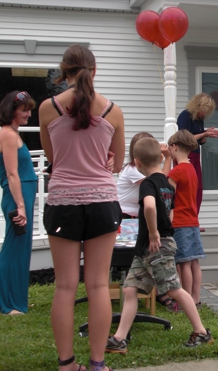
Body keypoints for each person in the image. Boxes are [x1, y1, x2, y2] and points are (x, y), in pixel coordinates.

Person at [39, 44, 125, 371]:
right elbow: (115, 165)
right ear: (94, 70)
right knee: (99, 284)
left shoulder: (48, 108)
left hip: (62, 202)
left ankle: (66, 364)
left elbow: (52, 157)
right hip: (103, 202)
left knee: (64, 285)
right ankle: (98, 363)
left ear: (65, 71)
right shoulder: (113, 111)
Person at [105, 137, 213, 354]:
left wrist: (155, 233)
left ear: (136, 161)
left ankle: (201, 331)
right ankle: (119, 339)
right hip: (146, 248)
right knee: (129, 288)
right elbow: (169, 211)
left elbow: (150, 207)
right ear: (160, 157)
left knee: (174, 289)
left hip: (156, 245)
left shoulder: (148, 184)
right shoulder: (164, 182)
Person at [117, 131, 180, 313]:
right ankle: (161, 293)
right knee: (143, 262)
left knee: (149, 261)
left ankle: (161, 293)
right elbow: (160, 183)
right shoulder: (132, 170)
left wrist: (165, 158)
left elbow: (160, 183)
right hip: (128, 220)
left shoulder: (146, 175)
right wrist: (165, 159)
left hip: (142, 221)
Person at [0, 91, 38, 316]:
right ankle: (8, 303)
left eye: (30, 109)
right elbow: (12, 175)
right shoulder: (7, 134)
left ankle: (17, 298)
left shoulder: (13, 134)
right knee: (13, 248)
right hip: (17, 198)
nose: (29, 114)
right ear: (11, 110)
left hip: (23, 194)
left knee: (21, 249)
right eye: (24, 109)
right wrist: (20, 206)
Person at [166, 129, 205, 307]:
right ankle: (195, 299)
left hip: (179, 221)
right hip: (193, 221)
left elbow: (166, 197)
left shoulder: (176, 172)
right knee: (194, 261)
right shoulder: (191, 169)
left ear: (174, 147)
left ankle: (184, 300)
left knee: (183, 263)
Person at [176, 93, 218, 213]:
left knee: (197, 187)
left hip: (195, 154)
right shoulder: (186, 115)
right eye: (202, 110)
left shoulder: (200, 120)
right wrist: (204, 134)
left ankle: (195, 216)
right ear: (196, 106)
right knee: (187, 186)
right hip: (185, 154)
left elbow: (200, 141)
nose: (204, 113)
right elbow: (184, 137)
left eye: (206, 111)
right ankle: (186, 215)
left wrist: (207, 134)